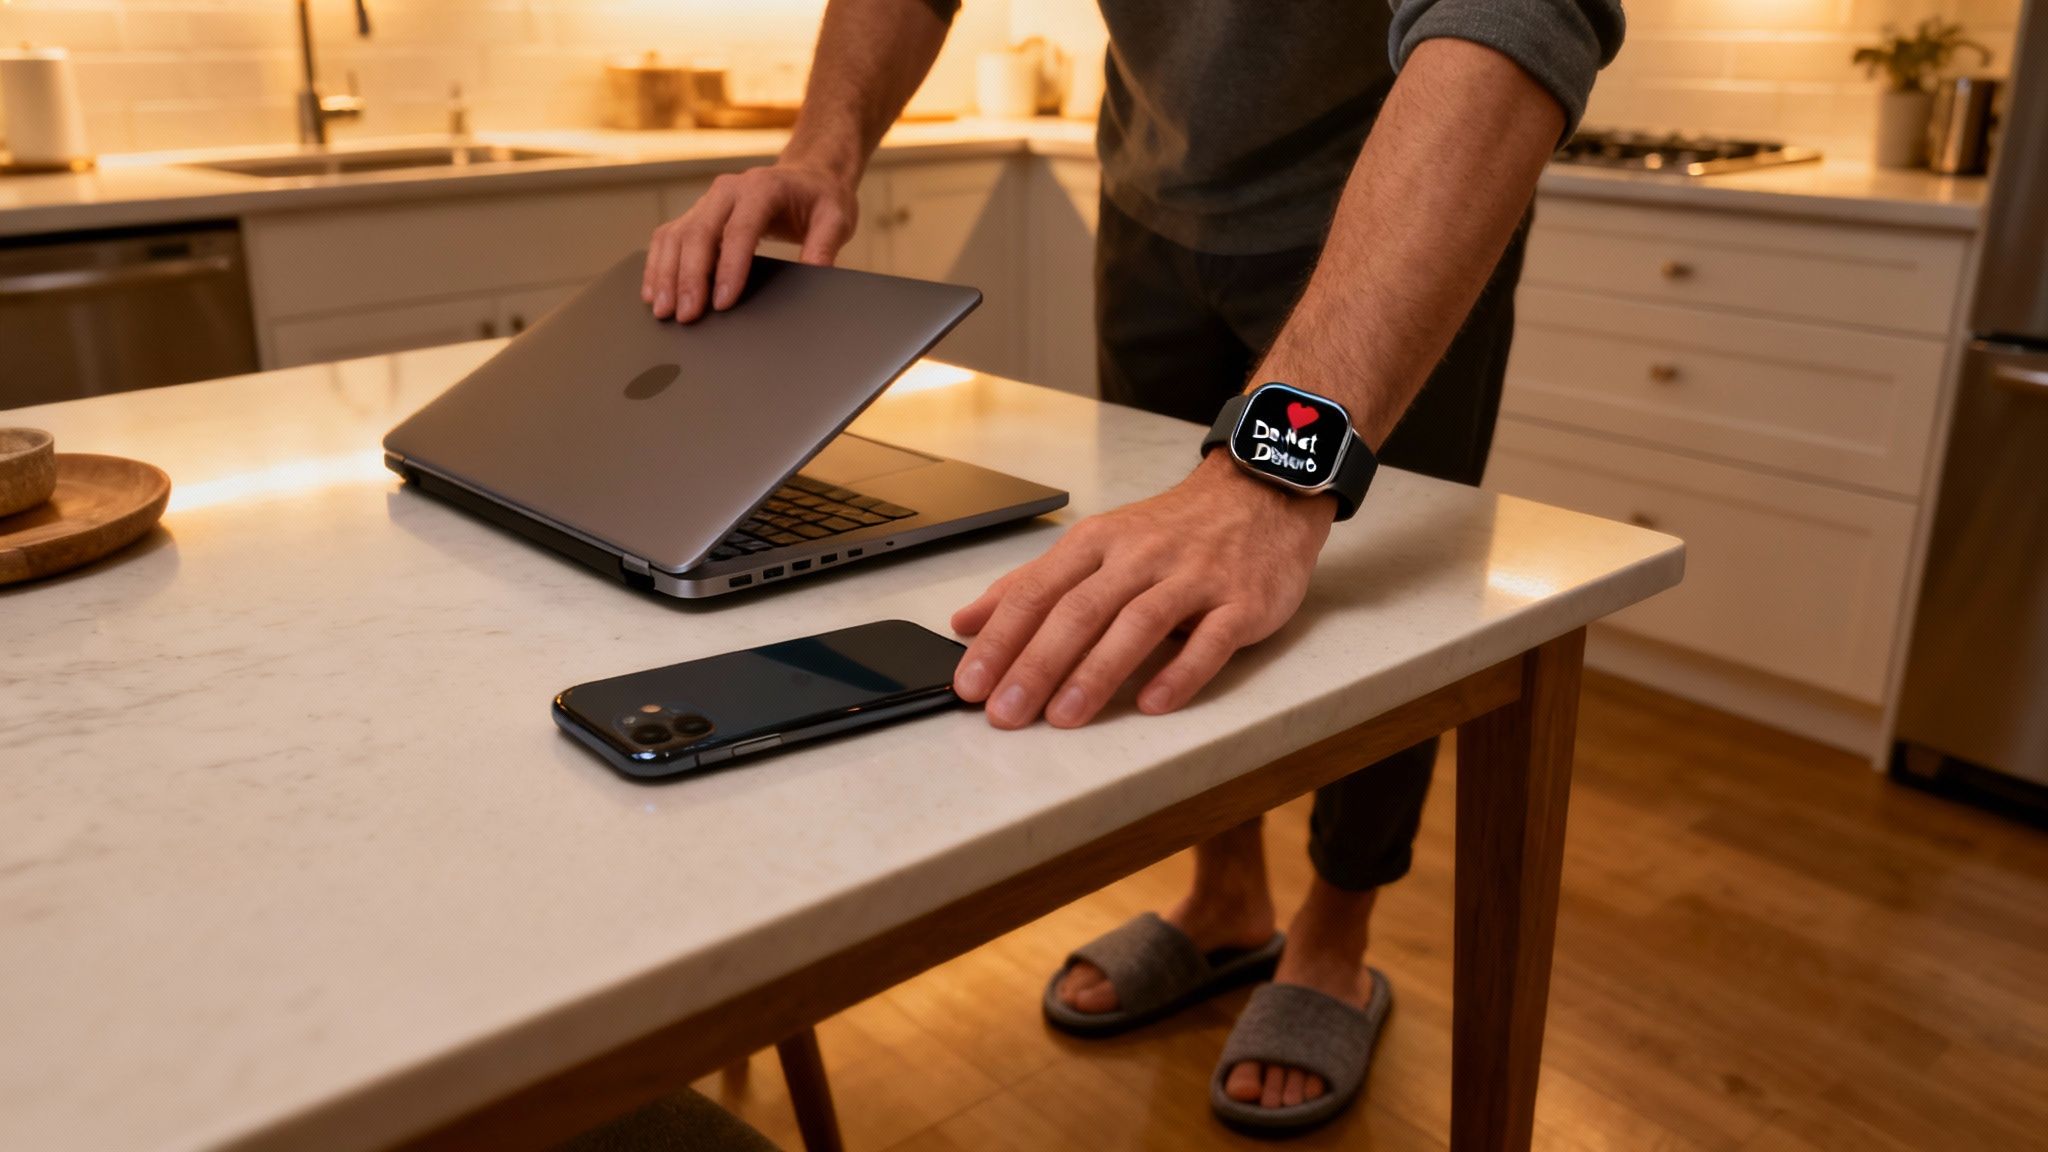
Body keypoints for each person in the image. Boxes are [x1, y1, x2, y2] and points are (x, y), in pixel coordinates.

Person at [642, 0, 1623, 1133]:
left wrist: (1271, 469)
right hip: (1155, 200)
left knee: (1376, 611)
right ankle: (1222, 899)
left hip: (1385, 199)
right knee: (1175, 586)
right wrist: (819, 150)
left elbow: (1518, 11)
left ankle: (1331, 941)